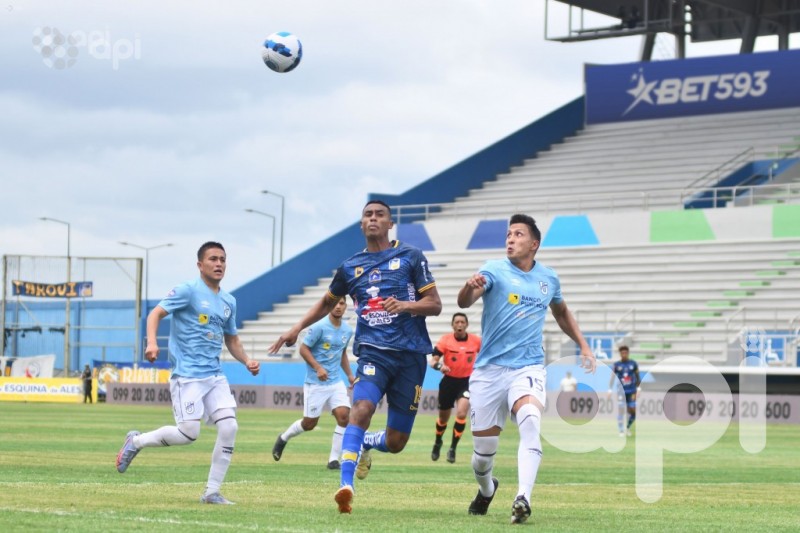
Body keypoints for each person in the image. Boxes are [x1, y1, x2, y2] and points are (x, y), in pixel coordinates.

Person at [269, 200, 442, 514]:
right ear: (361, 224)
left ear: (391, 224)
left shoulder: (411, 257)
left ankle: (366, 444)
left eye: (379, 215)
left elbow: (435, 304)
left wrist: (405, 306)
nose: (373, 218)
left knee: (396, 441)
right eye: (367, 215)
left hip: (411, 356)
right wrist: (296, 327)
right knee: (360, 409)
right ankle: (345, 486)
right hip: (373, 353)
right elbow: (326, 301)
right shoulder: (350, 267)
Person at [457, 213, 596, 524]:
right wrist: (469, 287)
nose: (510, 239)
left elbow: (561, 313)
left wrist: (583, 345)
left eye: (517, 234)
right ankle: (487, 488)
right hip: (489, 371)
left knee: (531, 420)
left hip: (528, 367)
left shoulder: (549, 279)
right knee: (482, 454)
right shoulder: (492, 269)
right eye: (508, 234)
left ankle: (523, 498)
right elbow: (465, 302)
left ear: (534, 244)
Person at [115, 241, 260, 505]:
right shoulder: (187, 291)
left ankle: (211, 492)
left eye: (223, 259)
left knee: (230, 426)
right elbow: (155, 314)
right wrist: (151, 342)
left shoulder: (228, 301)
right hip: (188, 376)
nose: (219, 264)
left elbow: (232, 340)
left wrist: (247, 360)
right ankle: (135, 442)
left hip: (215, 375)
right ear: (200, 264)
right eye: (213, 259)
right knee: (188, 434)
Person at [271, 296, 356, 469]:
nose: (338, 307)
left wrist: (349, 375)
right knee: (309, 424)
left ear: (346, 306)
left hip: (335, 382)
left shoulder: (347, 331)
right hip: (315, 383)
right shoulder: (319, 326)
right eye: (335, 303)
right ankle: (283, 438)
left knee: (344, 417)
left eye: (342, 303)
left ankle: (333, 460)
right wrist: (317, 367)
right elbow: (303, 349)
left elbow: (342, 353)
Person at [430, 312, 481, 464]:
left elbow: (487, 355)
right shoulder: (445, 340)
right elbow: (433, 361)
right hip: (448, 382)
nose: (459, 325)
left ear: (466, 325)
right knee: (443, 418)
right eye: (457, 322)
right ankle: (438, 441)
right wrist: (440, 366)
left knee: (461, 412)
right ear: (452, 325)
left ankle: (452, 448)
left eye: (462, 322)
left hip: (466, 382)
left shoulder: (476, 341)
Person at [608, 345, 640, 437]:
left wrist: (639, 388)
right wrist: (610, 390)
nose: (624, 354)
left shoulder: (633, 364)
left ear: (628, 353)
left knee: (633, 412)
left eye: (626, 353)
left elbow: (637, 377)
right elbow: (612, 378)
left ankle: (627, 427)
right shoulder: (616, 365)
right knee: (621, 411)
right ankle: (621, 430)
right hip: (621, 391)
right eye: (622, 353)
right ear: (620, 354)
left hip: (632, 391)